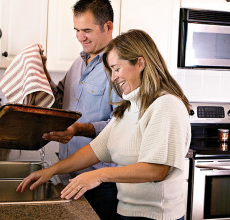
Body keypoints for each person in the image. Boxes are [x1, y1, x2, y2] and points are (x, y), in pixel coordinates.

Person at [17, 29, 191, 220]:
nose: (114, 77)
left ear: (140, 63)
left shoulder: (166, 105)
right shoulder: (128, 107)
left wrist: (99, 175)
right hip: (126, 212)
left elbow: (156, 170)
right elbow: (95, 150)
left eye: (117, 69)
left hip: (157, 216)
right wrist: (51, 171)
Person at [41, 0, 121, 219]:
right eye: (77, 30)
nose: (80, 37)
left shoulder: (119, 67)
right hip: (70, 173)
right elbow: (58, 100)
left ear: (108, 26)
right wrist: (41, 72)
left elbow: (121, 126)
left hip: (100, 181)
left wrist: (78, 129)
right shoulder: (78, 63)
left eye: (87, 30)